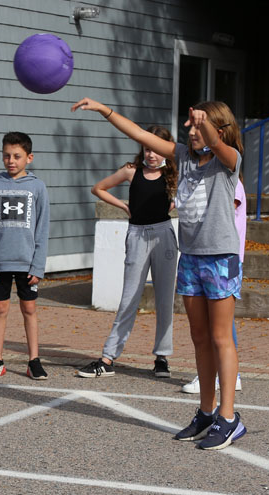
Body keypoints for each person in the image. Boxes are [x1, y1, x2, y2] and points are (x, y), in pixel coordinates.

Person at [72, 97, 247, 450]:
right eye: (192, 125)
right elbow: (137, 132)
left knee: (219, 338)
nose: (193, 131)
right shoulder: (182, 156)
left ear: (218, 129)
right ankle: (206, 412)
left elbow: (217, 144)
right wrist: (105, 110)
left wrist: (206, 126)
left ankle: (229, 418)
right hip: (192, 258)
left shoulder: (228, 162)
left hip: (220, 258)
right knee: (198, 337)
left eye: (199, 126)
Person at [77, 126, 179, 379]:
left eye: (157, 149)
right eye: (147, 148)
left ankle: (162, 358)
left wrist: (176, 202)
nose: (152, 154)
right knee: (129, 298)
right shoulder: (131, 171)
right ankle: (108, 357)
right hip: (137, 235)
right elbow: (98, 188)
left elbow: (188, 195)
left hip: (164, 236)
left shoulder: (173, 175)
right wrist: (124, 205)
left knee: (165, 299)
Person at [0, 132, 50, 380]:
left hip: (27, 263)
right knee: (0, 309)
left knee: (29, 309)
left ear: (29, 158)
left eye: (17, 156)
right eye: (7, 155)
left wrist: (38, 265)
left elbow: (43, 228)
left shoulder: (37, 187)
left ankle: (34, 360)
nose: (11, 160)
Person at [182, 177, 245, 393]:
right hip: (209, 256)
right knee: (217, 325)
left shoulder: (232, 183)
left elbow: (221, 213)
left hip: (225, 258)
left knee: (222, 328)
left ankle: (225, 375)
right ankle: (221, 375)